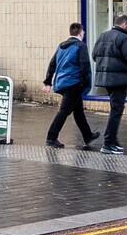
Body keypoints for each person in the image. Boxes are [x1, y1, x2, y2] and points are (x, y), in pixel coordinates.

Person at [91, 11, 127, 156]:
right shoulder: (123, 38)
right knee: (116, 111)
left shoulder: (103, 36)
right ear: (124, 24)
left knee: (115, 108)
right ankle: (108, 143)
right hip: (119, 80)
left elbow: (95, 55)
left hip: (106, 80)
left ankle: (113, 142)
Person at [42, 21, 97, 149]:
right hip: (74, 83)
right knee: (64, 111)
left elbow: (52, 64)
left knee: (78, 111)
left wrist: (48, 82)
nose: (83, 33)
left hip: (62, 82)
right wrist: (84, 82)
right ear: (80, 33)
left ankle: (88, 135)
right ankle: (51, 137)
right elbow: (84, 64)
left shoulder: (61, 46)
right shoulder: (81, 46)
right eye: (83, 31)